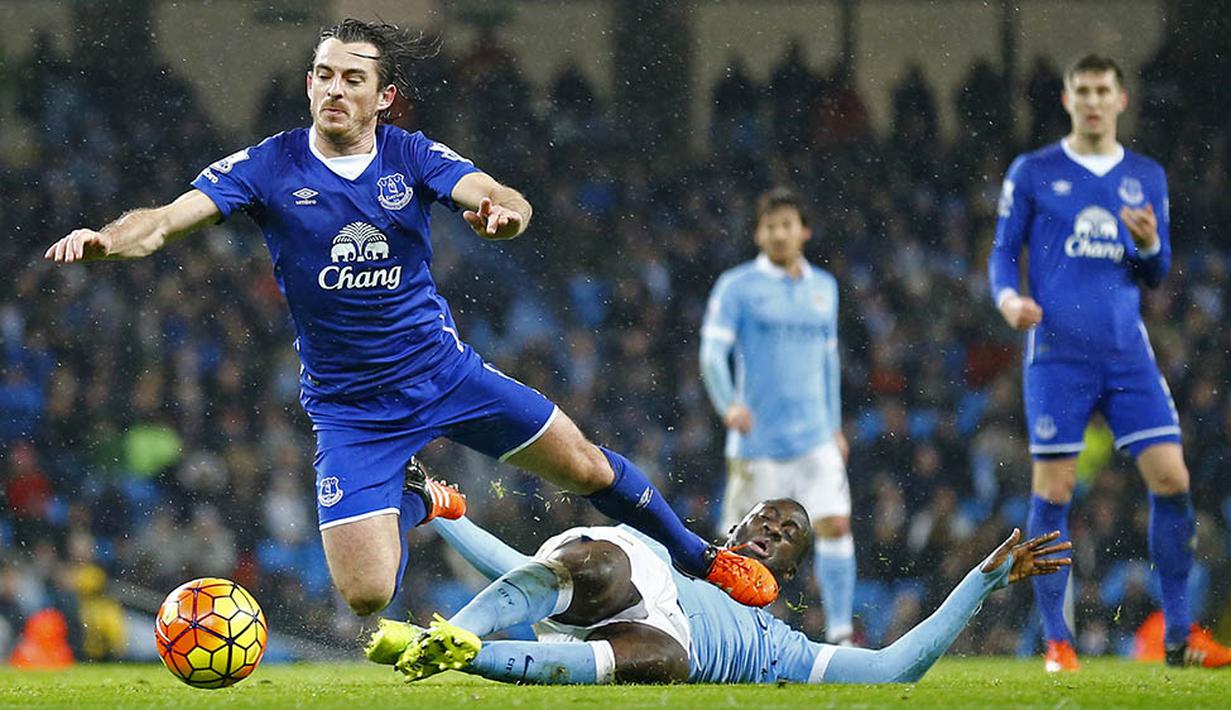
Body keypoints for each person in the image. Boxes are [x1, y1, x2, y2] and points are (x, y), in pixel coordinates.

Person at [42, 18, 776, 615]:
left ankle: (700, 556)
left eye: (352, 79)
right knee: (366, 597)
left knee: (583, 464)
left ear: (383, 97)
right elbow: (168, 220)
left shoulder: (411, 155)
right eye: (324, 75)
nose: (335, 89)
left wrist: (502, 219)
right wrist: (109, 240)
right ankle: (420, 499)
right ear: (308, 84)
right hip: (349, 409)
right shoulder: (266, 166)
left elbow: (500, 196)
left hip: (442, 374)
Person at [988, 54, 1229, 671]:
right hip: (1058, 355)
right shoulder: (1035, 170)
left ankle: (1178, 636)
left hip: (1126, 352)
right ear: (1067, 99)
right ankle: (1057, 642)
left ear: (1121, 100)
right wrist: (1009, 298)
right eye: (1082, 90)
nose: (1093, 100)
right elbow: (1001, 250)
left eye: (1103, 90)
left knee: (1173, 479)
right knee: (1055, 488)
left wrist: (1148, 242)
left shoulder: (1146, 175)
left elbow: (1154, 272)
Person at [365, 498, 1071, 685]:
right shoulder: (672, 549)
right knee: (597, 565)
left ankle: (456, 653)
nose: (770, 526)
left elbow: (895, 667)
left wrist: (984, 581)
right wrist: (451, 518)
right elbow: (525, 570)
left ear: (789, 571)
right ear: (732, 527)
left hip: (649, 642)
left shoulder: (785, 649)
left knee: (665, 661)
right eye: (762, 517)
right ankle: (451, 631)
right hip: (605, 573)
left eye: (787, 530)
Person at [699, 189, 854, 644]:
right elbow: (712, 353)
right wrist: (728, 402)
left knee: (835, 524)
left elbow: (829, 362)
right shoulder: (737, 286)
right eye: (770, 226)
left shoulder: (825, 288)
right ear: (758, 235)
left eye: (787, 224)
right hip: (758, 442)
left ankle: (842, 632)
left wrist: (835, 425)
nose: (779, 233)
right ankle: (725, 632)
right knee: (741, 545)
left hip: (815, 438)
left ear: (803, 231)